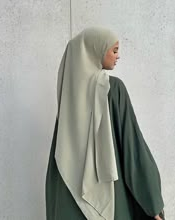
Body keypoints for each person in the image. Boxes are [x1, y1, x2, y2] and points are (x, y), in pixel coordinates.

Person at [45, 27, 165, 220]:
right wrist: (152, 204)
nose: (118, 56)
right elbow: (132, 148)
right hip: (110, 193)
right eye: (114, 50)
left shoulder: (68, 96)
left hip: (67, 192)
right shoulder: (112, 88)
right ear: (96, 50)